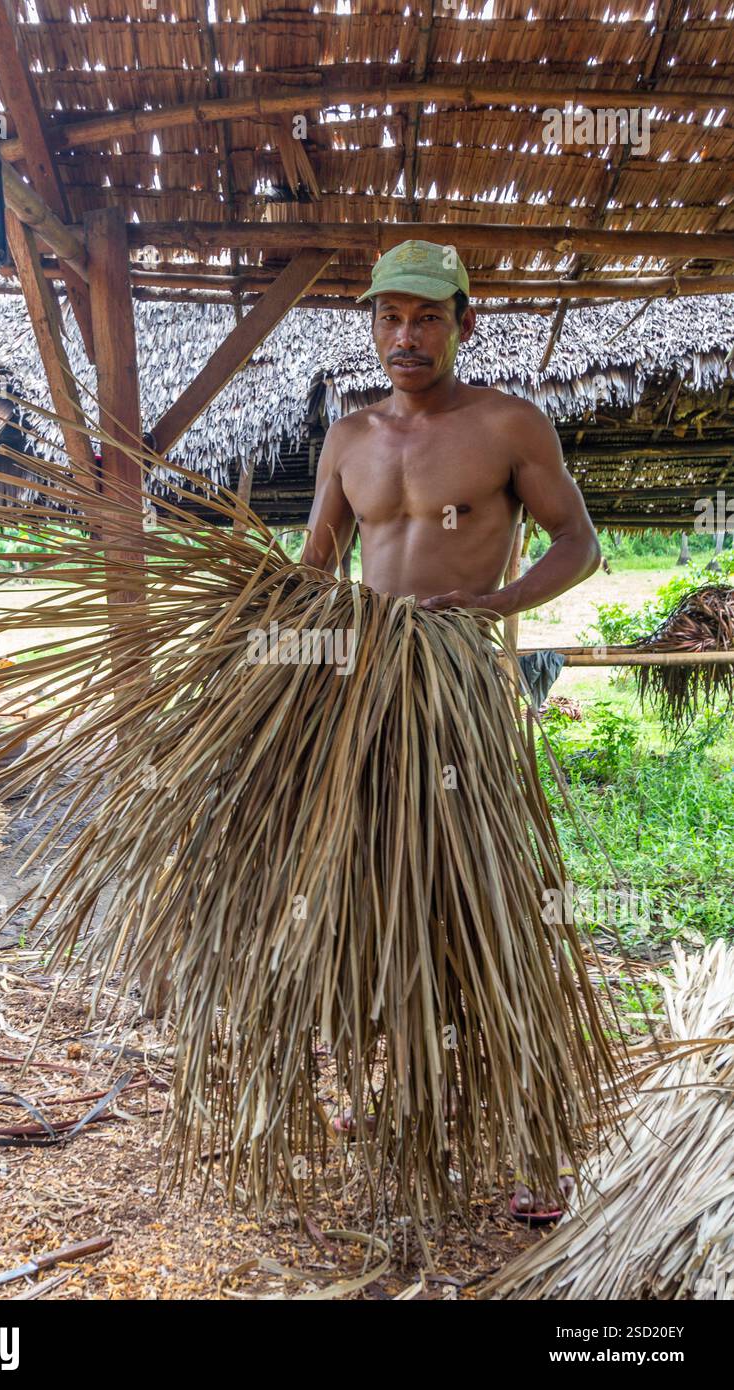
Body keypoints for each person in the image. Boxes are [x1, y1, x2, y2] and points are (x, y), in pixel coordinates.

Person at [301, 239, 601, 1222]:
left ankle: (529, 1138)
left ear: (463, 322)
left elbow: (577, 542)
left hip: (459, 691)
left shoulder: (506, 425)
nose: (405, 335)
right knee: (358, 897)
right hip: (364, 697)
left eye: (426, 316)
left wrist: (496, 599)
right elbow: (315, 569)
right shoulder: (346, 438)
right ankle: (374, 1094)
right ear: (373, 325)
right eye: (389, 316)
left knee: (486, 907)